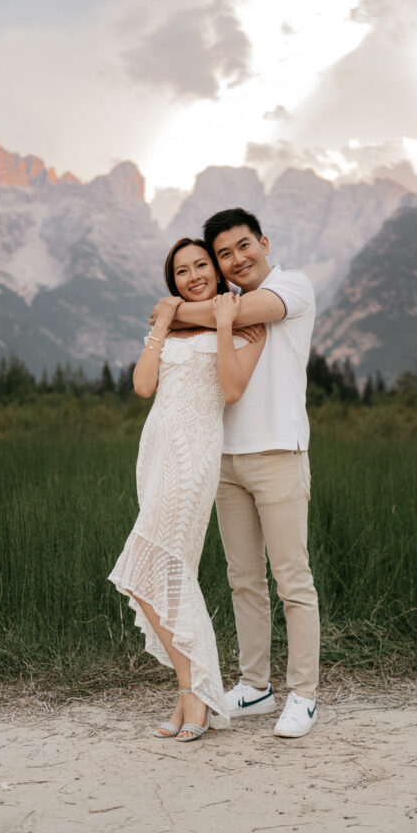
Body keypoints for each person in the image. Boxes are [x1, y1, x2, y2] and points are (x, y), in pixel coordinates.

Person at [149, 208, 319, 738]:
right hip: (223, 458)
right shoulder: (224, 306)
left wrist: (171, 314)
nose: (237, 259)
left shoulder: (292, 286)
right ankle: (255, 686)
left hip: (278, 452)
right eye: (224, 254)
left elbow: (249, 310)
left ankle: (304, 696)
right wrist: (197, 313)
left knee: (292, 579)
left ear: (264, 242)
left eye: (244, 246)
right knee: (243, 579)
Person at [108, 238, 266, 742]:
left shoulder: (244, 322)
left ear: (217, 273)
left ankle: (196, 691)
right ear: (172, 280)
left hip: (195, 452)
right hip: (155, 450)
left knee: (153, 565)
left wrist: (221, 323)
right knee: (165, 571)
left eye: (202, 265)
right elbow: (142, 385)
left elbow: (232, 388)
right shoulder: (169, 326)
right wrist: (160, 326)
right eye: (182, 271)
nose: (194, 275)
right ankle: (189, 693)